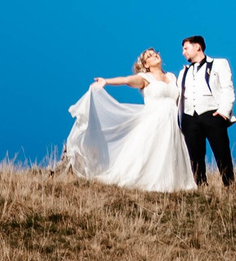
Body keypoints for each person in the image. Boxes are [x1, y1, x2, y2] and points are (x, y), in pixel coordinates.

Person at [61, 49, 198, 192]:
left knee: (171, 150)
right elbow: (126, 80)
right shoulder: (145, 77)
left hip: (173, 121)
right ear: (146, 64)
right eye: (149, 56)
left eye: (154, 53)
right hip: (155, 120)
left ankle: (172, 184)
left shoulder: (171, 77)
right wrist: (106, 81)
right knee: (152, 151)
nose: (154, 56)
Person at [176, 35, 236, 188]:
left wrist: (223, 112)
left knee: (221, 151)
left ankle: (229, 184)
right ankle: (201, 186)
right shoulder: (183, 72)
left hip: (213, 114)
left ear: (197, 47)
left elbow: (227, 88)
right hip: (190, 117)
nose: (183, 52)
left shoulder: (219, 64)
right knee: (195, 155)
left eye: (186, 48)